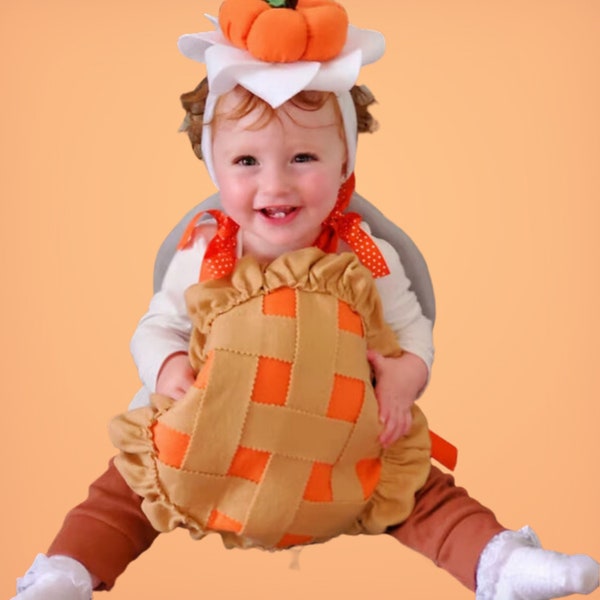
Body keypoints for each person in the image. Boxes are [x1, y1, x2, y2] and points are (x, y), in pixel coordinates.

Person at [13, 4, 599, 600]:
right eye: (246, 161)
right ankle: (69, 572)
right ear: (213, 164)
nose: (276, 184)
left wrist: (400, 380)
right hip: (211, 439)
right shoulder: (205, 251)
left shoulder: (367, 255)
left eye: (303, 158)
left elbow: (413, 328)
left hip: (340, 448)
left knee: (422, 491)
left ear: (346, 162)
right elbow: (156, 326)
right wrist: (167, 368)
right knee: (125, 491)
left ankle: (500, 566)